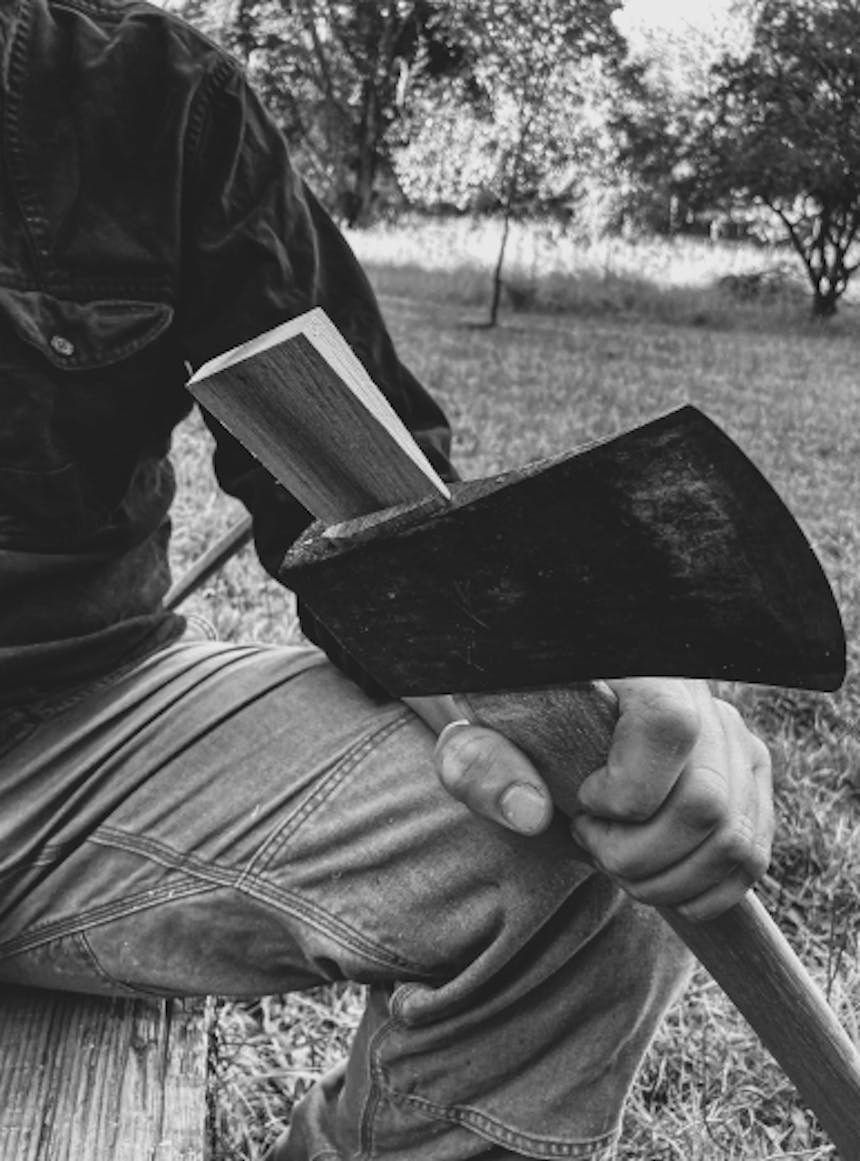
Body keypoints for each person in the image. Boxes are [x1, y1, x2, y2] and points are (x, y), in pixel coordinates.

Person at [0, 2, 773, 1159]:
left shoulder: (148, 92)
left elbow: (376, 511)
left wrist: (563, 681)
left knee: (573, 834)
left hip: (67, 733)